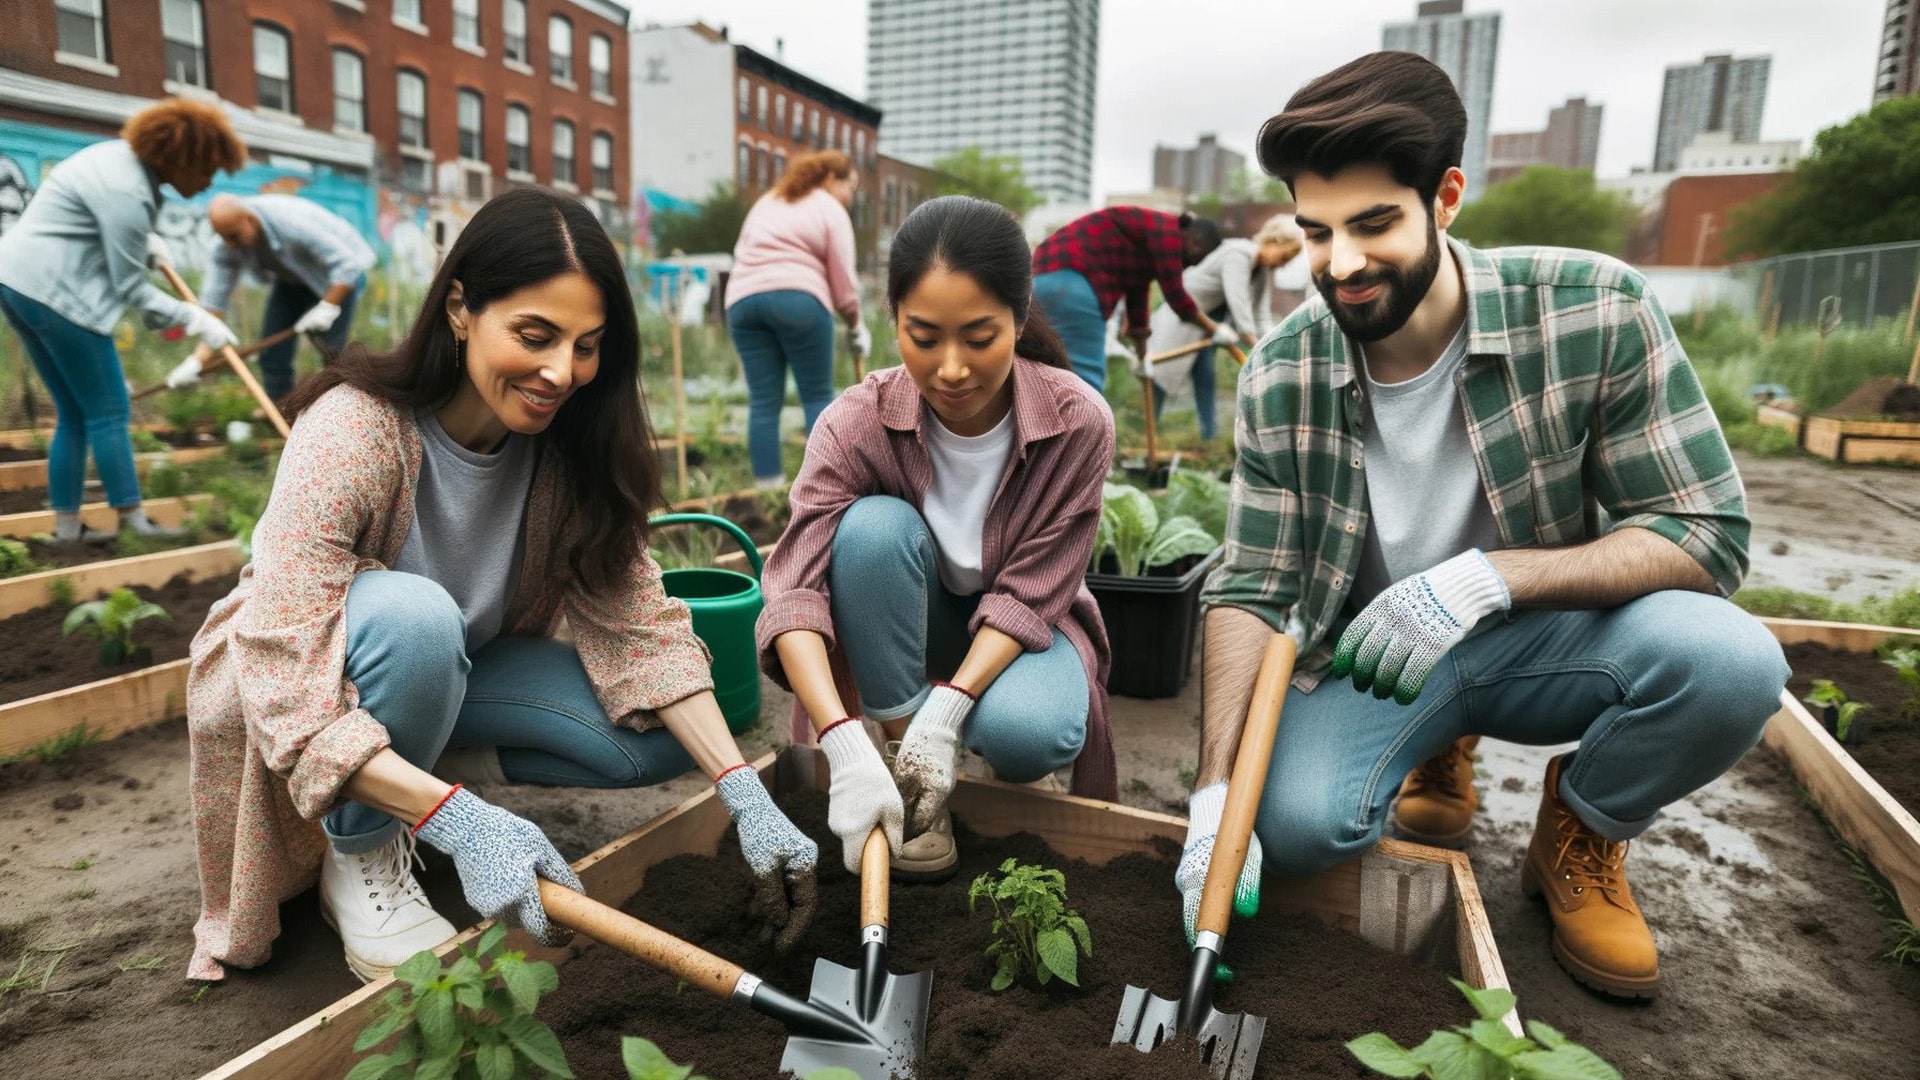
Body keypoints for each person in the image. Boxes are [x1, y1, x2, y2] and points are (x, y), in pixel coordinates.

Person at [1181, 51, 1788, 1000]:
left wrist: (1487, 579)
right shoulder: (1281, 370)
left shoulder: (1595, 309)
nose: (1340, 265)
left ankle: (1581, 828)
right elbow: (1249, 588)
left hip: (1547, 633)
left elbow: (1704, 530)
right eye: (1316, 232)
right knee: (1291, 829)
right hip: (1384, 656)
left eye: (1374, 223)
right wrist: (1213, 793)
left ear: (1447, 196)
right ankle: (1436, 746)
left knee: (1731, 665)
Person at [185, 188, 818, 983]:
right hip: (304, 679)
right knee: (418, 621)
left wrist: (742, 790)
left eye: (586, 345)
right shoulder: (355, 430)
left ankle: (418, 769)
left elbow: (641, 628)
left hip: (449, 671)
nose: (562, 371)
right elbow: (283, 673)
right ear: (459, 307)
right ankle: (362, 848)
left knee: (654, 734)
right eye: (535, 334)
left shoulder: (564, 446)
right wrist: (464, 824)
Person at [758, 196, 1117, 881]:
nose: (951, 368)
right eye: (923, 336)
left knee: (1028, 734)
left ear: (1018, 318)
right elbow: (793, 589)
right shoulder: (855, 422)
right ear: (893, 320)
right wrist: (843, 741)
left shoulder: (1076, 423)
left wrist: (947, 712)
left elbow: (1031, 592)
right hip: (902, 622)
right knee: (869, 530)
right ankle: (909, 772)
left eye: (979, 337)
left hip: (1021, 634)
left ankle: (951, 741)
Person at [0, 98, 245, 543]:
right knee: (111, 409)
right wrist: (196, 319)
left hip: (17, 283)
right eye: (206, 170)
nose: (208, 182)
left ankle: (68, 531)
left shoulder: (116, 162)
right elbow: (132, 289)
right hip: (57, 294)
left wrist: (143, 241)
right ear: (181, 158)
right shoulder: (128, 193)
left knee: (75, 412)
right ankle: (134, 523)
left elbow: (97, 229)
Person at [726, 149, 868, 488]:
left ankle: (769, 492)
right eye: (851, 187)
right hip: (799, 300)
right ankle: (822, 491)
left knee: (763, 402)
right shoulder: (829, 208)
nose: (850, 197)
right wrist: (855, 323)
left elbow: (741, 251)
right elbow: (843, 278)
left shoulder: (769, 201)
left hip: (742, 302)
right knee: (817, 396)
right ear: (832, 179)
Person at [165, 193, 378, 400]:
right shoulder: (227, 245)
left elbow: (348, 266)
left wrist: (327, 308)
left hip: (338, 277)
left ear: (250, 220)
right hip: (292, 278)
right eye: (222, 237)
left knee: (333, 354)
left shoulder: (292, 225)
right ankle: (283, 410)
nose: (229, 244)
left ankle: (337, 416)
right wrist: (197, 360)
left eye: (234, 236)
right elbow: (215, 302)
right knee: (272, 351)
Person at [1030, 206, 1232, 392]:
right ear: (1196, 239)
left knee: (1046, 375)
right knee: (1086, 386)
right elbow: (1177, 297)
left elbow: (1137, 310)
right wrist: (1215, 329)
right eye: (1195, 258)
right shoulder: (1168, 231)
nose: (1188, 264)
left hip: (1038, 281)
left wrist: (1143, 357)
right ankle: (1085, 432)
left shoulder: (1143, 246)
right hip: (1075, 284)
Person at [1142, 215, 1304, 440]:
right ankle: (1148, 432)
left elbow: (1261, 314)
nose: (1284, 264)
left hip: (1206, 329)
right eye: (1286, 256)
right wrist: (1257, 346)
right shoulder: (1238, 254)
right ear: (1274, 242)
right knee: (1159, 376)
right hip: (1180, 318)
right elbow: (1240, 308)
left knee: (1205, 380)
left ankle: (1208, 438)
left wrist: (1276, 345)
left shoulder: (1262, 271)